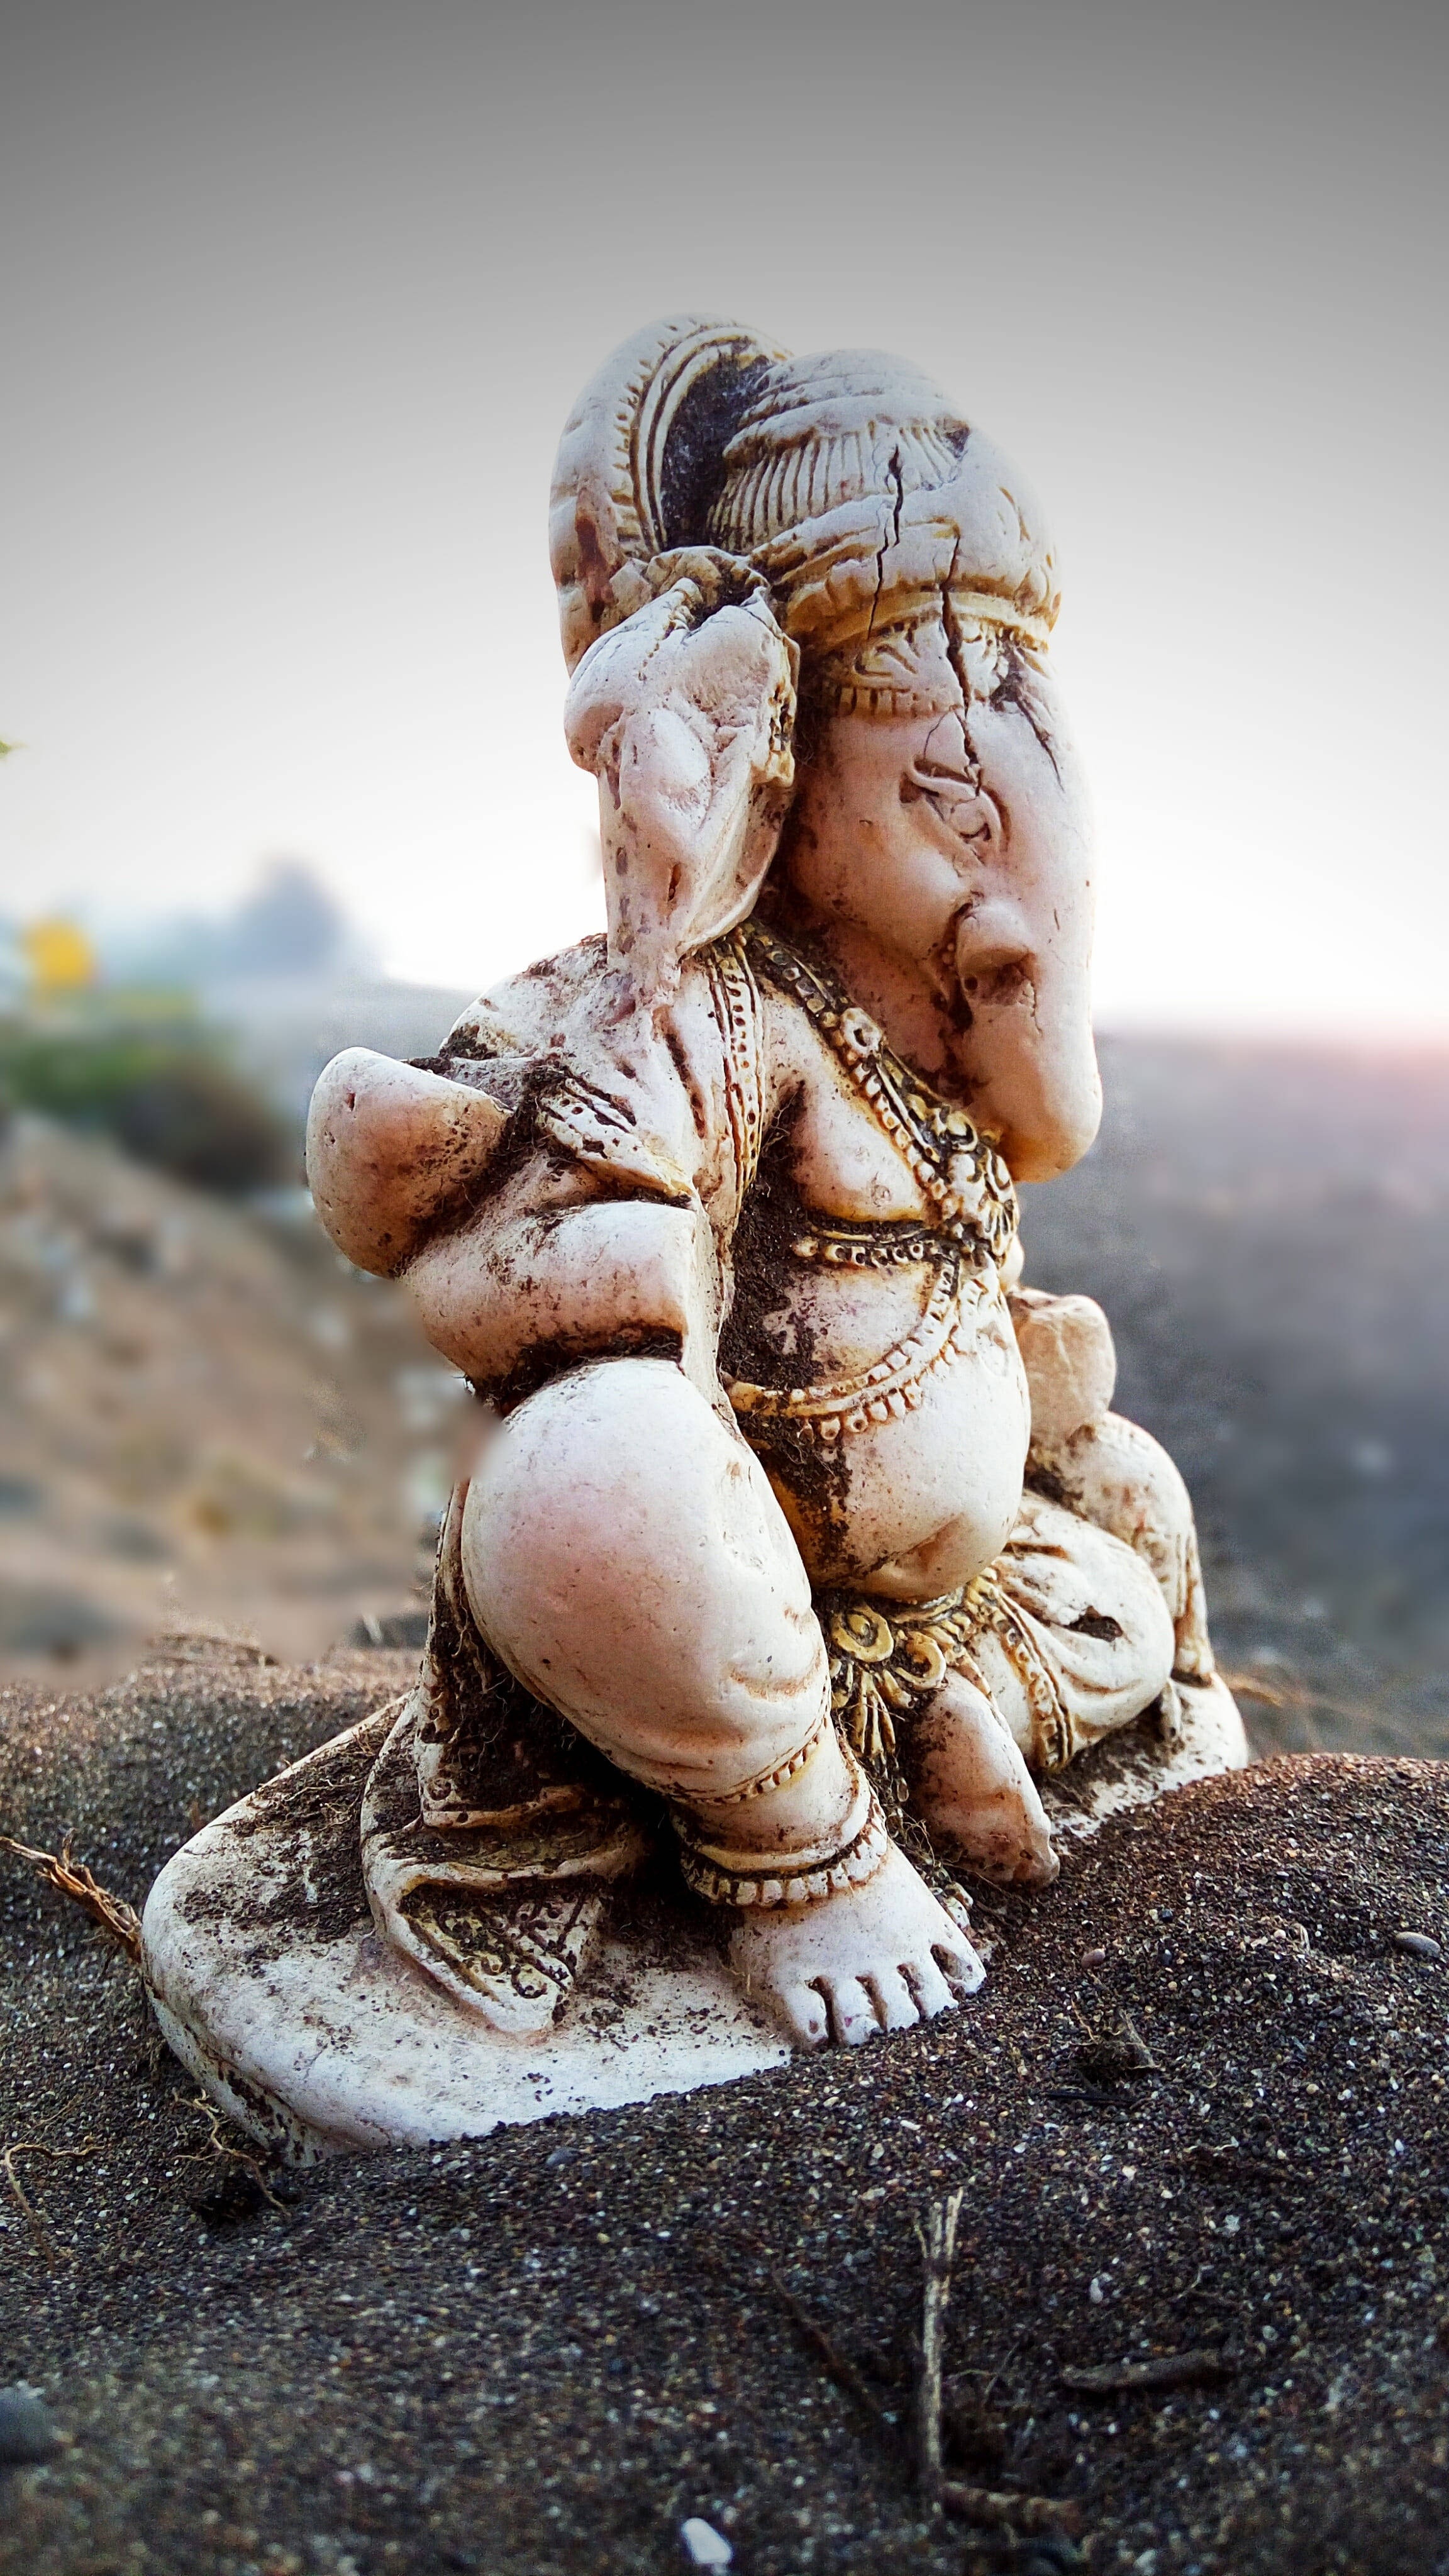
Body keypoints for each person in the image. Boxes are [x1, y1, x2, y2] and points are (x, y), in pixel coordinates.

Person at [309, 318, 1243, 2049]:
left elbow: (1036, 1139)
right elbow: (503, 1273)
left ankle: (961, 1705)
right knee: (590, 1488)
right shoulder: (715, 1018)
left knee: (1131, 1519)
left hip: (939, 1596)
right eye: (938, 787)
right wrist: (591, 1264)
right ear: (778, 762)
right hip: (726, 1592)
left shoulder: (929, 1045)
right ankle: (797, 1843)